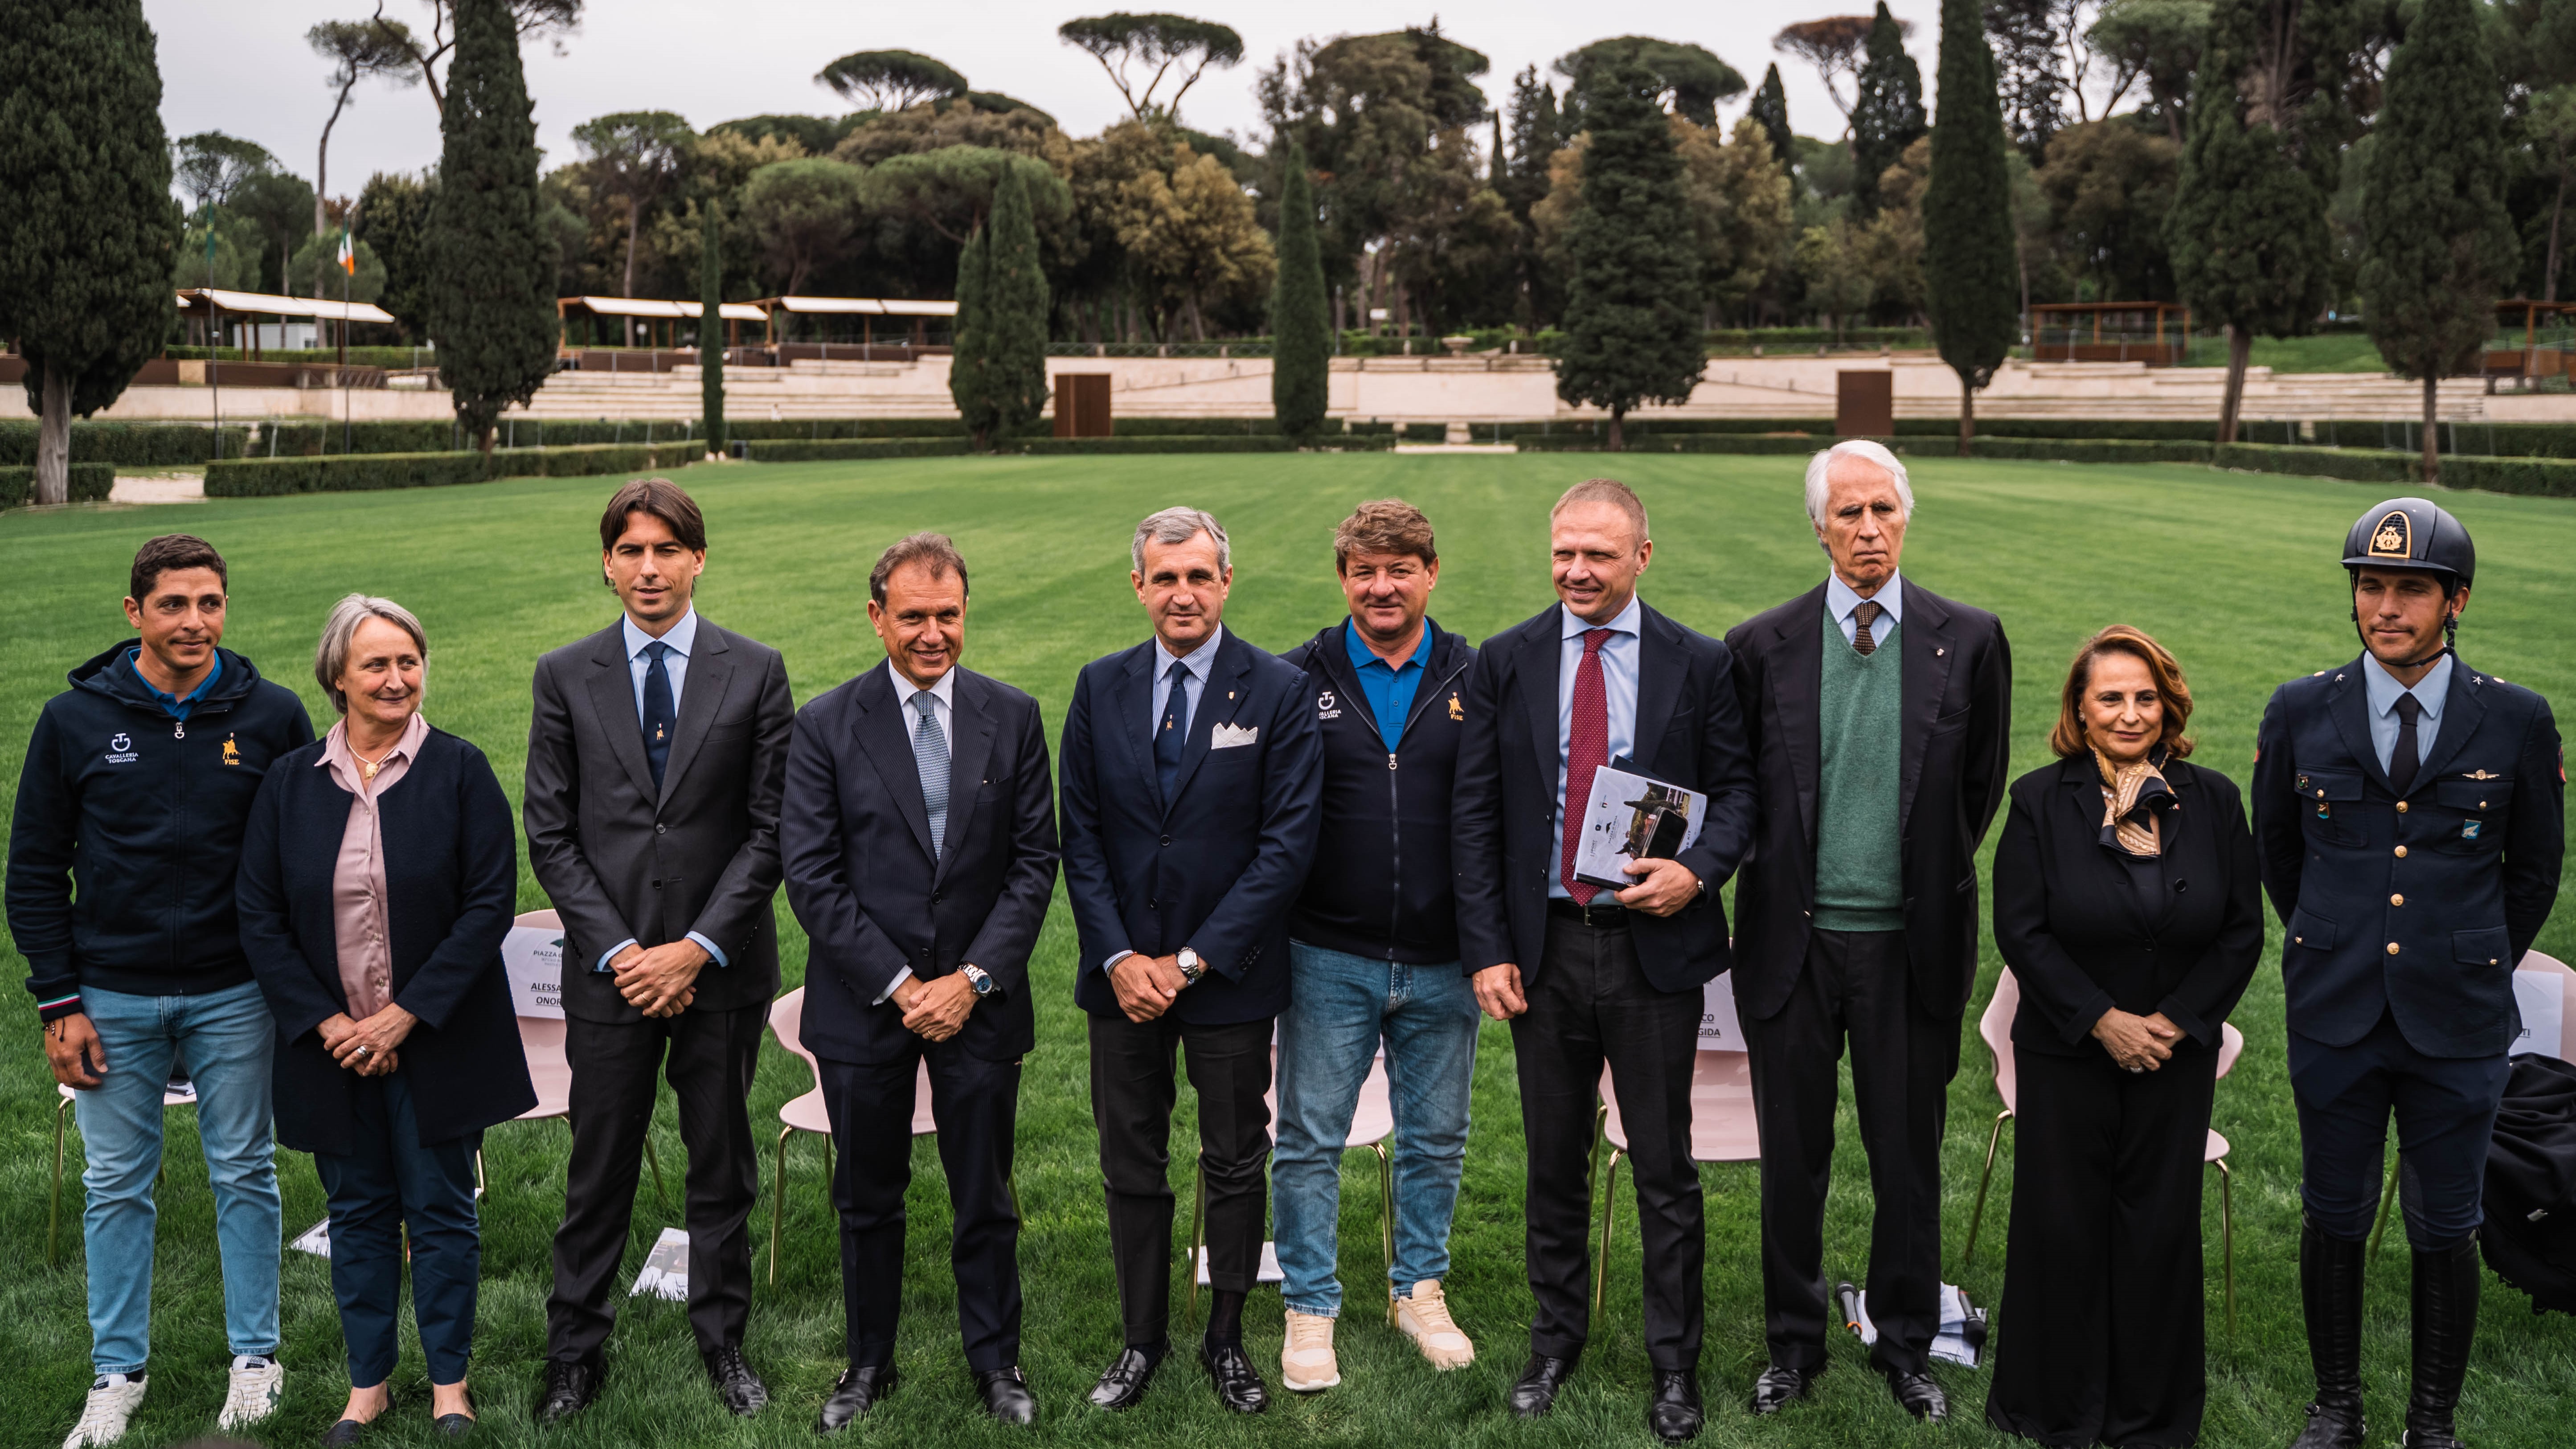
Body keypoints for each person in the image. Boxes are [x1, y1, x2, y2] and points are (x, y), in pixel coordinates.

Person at [2252, 498, 2563, 1449]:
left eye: (2410, 589)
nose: (2385, 606)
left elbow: (2532, 873)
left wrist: (2464, 958)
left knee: (2445, 1225)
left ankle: (2431, 1422)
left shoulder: (2512, 719)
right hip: (2334, 1012)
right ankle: (2334, 1406)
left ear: (2453, 600)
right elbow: (2279, 855)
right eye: (2369, 585)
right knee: (2333, 1215)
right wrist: (2331, 942)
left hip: (2457, 1020)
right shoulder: (2300, 708)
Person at [1452, 478, 1757, 1445]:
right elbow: (1474, 817)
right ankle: (1554, 1343)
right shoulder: (1504, 660)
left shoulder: (1698, 663)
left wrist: (1695, 874)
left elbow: (1741, 796)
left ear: (1641, 557)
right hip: (1541, 953)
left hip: (1651, 953)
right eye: (1563, 553)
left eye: (1598, 554)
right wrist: (1487, 950)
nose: (1576, 571)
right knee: (1553, 1165)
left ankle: (1675, 1366)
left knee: (1664, 1167)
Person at [1723, 440, 2011, 1424]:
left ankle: (1903, 1343)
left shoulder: (1967, 639)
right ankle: (1792, 1347)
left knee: (1905, 1159)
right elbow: (1742, 794)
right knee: (1791, 1161)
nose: (1866, 530)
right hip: (1789, 950)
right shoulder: (1759, 645)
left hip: (1908, 948)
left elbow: (1972, 795)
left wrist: (1912, 877)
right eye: (1846, 513)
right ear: (1817, 527)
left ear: (1906, 516)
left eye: (1882, 510)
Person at [9, 535, 314, 1449]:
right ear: (134, 612)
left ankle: (255, 1362)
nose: (194, 622)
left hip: (235, 993)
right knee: (117, 1188)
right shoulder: (72, 721)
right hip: (111, 997)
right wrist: (59, 1003)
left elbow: (303, 859)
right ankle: (117, 1376)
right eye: (174, 605)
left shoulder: (271, 717)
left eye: (210, 603)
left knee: (245, 1173)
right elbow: (32, 872)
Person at [523, 479, 795, 1421]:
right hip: (610, 977)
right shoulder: (564, 674)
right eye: (631, 550)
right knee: (598, 1166)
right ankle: (573, 1352)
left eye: (666, 549)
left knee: (720, 1164)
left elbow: (771, 830)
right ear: (607, 562)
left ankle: (723, 1344)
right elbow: (551, 835)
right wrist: (627, 953)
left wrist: (696, 950)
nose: (649, 567)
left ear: (697, 559)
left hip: (719, 975)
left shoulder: (755, 670)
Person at [235, 596, 536, 1444]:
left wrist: (406, 1016)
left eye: (409, 661)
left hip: (436, 1039)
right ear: (337, 677)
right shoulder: (292, 782)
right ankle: (367, 1385)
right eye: (377, 664)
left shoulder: (460, 769)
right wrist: (329, 1025)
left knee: (442, 1211)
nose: (398, 678)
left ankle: (450, 1385)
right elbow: (258, 913)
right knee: (359, 1211)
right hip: (331, 1048)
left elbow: (487, 907)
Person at [780, 534, 1060, 1430]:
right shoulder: (826, 723)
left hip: (977, 1005)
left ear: (964, 614)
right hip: (866, 1006)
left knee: (984, 1193)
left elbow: (1033, 863)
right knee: (867, 1198)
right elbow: (811, 875)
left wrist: (970, 979)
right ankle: (867, 1365)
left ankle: (996, 1361)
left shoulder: (1011, 716)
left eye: (947, 615)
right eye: (913, 617)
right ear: (877, 618)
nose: (932, 634)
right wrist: (904, 986)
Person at [1058, 506, 1323, 1416]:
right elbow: (1080, 838)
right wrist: (1124, 957)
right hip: (1121, 981)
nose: (1182, 593)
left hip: (1229, 979)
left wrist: (1194, 960)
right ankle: (1139, 1340)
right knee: (1130, 1162)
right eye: (1164, 578)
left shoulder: (1279, 691)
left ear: (1225, 582)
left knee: (1235, 1159)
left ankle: (1226, 1342)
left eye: (1198, 576)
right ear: (1138, 585)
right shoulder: (1098, 687)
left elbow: (1286, 847)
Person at [1983, 626, 2261, 1448]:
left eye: (2145, 697)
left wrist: (2174, 1023)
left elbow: (2242, 931)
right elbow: (2021, 929)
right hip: (2067, 1048)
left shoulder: (2212, 800)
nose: (2129, 713)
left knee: (2158, 1229)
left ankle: (2149, 1415)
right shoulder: (2039, 798)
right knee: (2061, 1226)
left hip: (2174, 1054)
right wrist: (2102, 1020)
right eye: (2110, 698)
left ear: (2168, 706)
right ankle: (2054, 1407)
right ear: (2079, 707)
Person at [1272, 500, 1481, 1392]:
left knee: (1435, 1137)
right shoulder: (1296, 678)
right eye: (1364, 569)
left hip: (1446, 958)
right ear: (1343, 579)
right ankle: (1310, 1302)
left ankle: (1416, 1289)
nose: (1381, 586)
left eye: (1399, 568)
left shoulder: (1480, 672)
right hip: (1328, 952)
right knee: (1310, 1137)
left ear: (1430, 572)